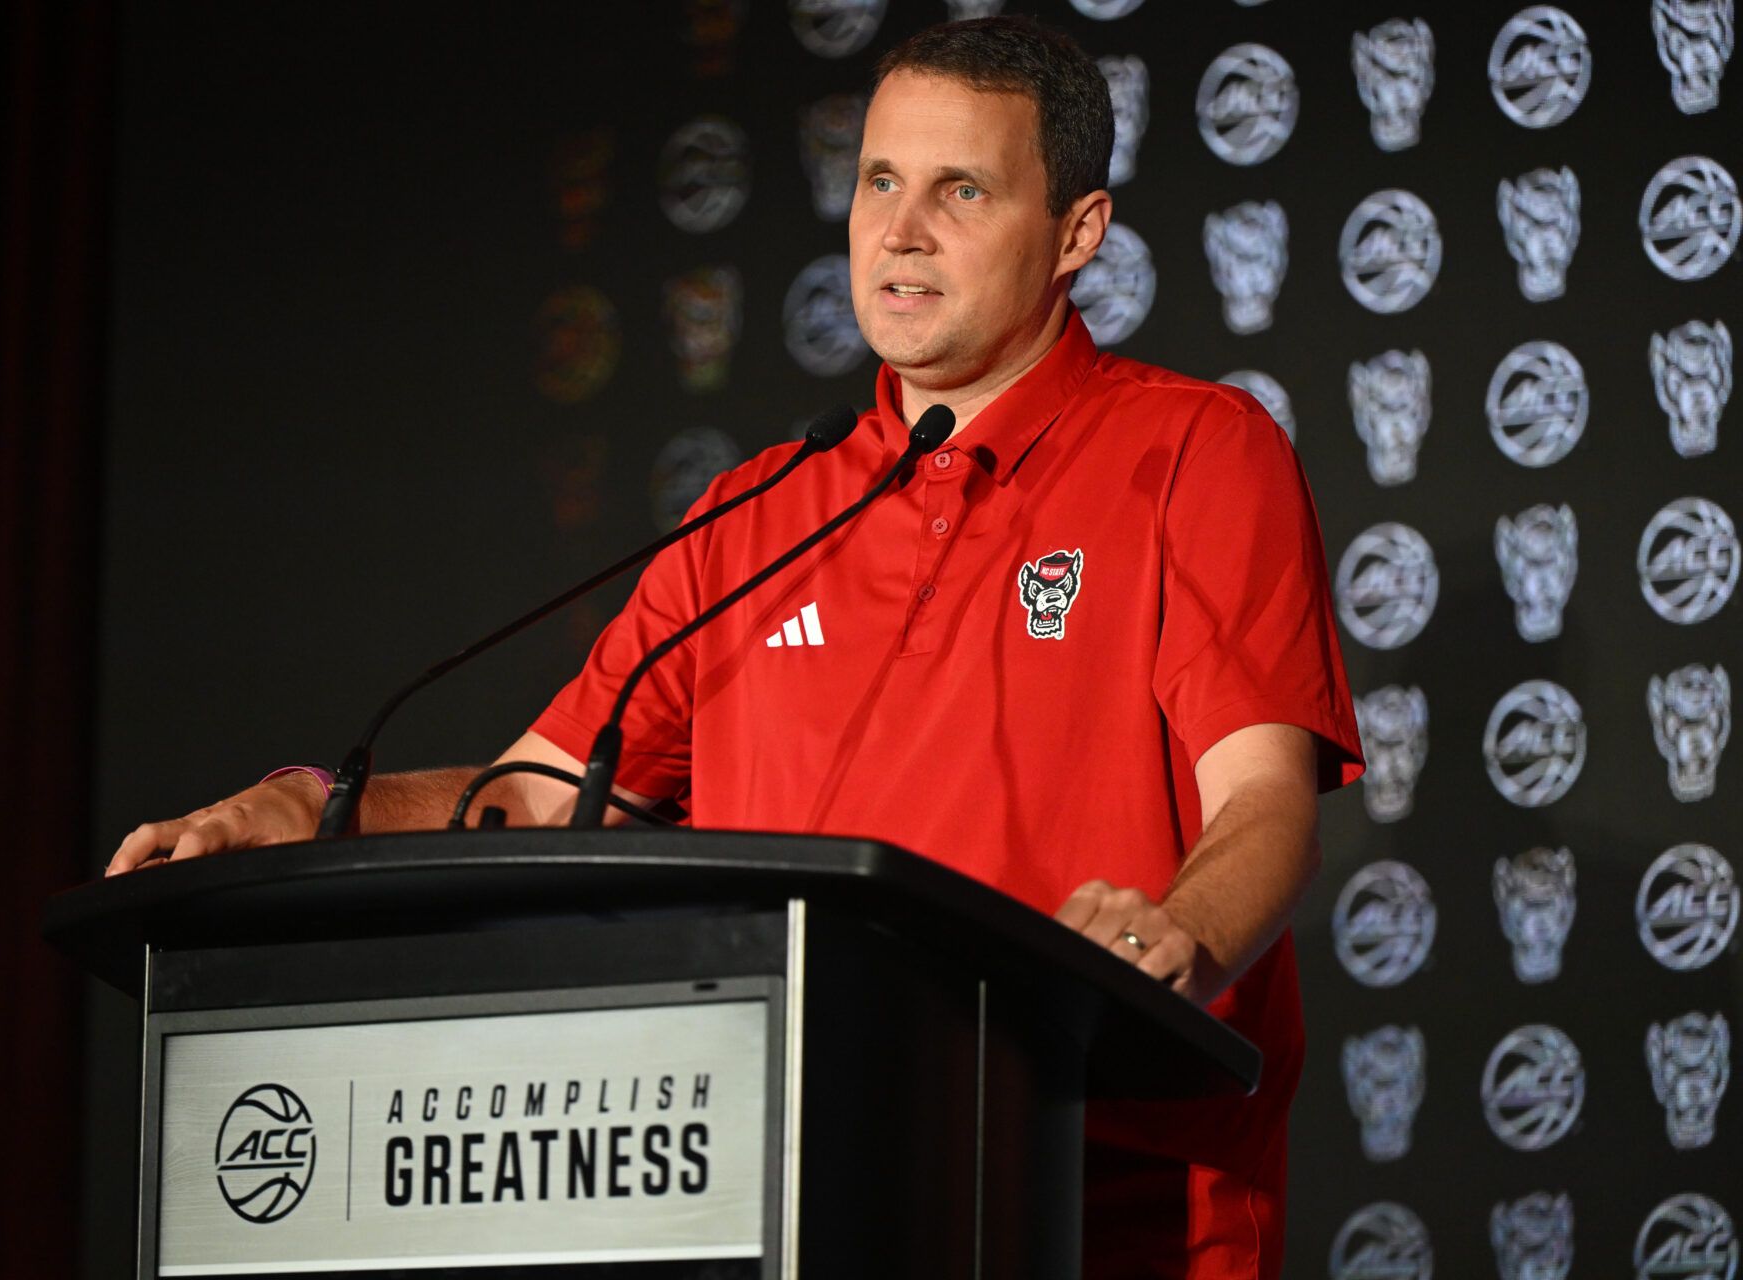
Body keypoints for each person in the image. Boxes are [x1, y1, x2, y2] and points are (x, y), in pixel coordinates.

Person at [108, 16, 1361, 1279]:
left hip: (1092, 1209)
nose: (900, 232)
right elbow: (538, 802)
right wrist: (304, 808)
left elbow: (1263, 801)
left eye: (960, 190)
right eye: (879, 181)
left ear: (1077, 233)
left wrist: (1177, 934)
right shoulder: (758, 512)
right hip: (791, 1204)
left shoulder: (1197, 453)